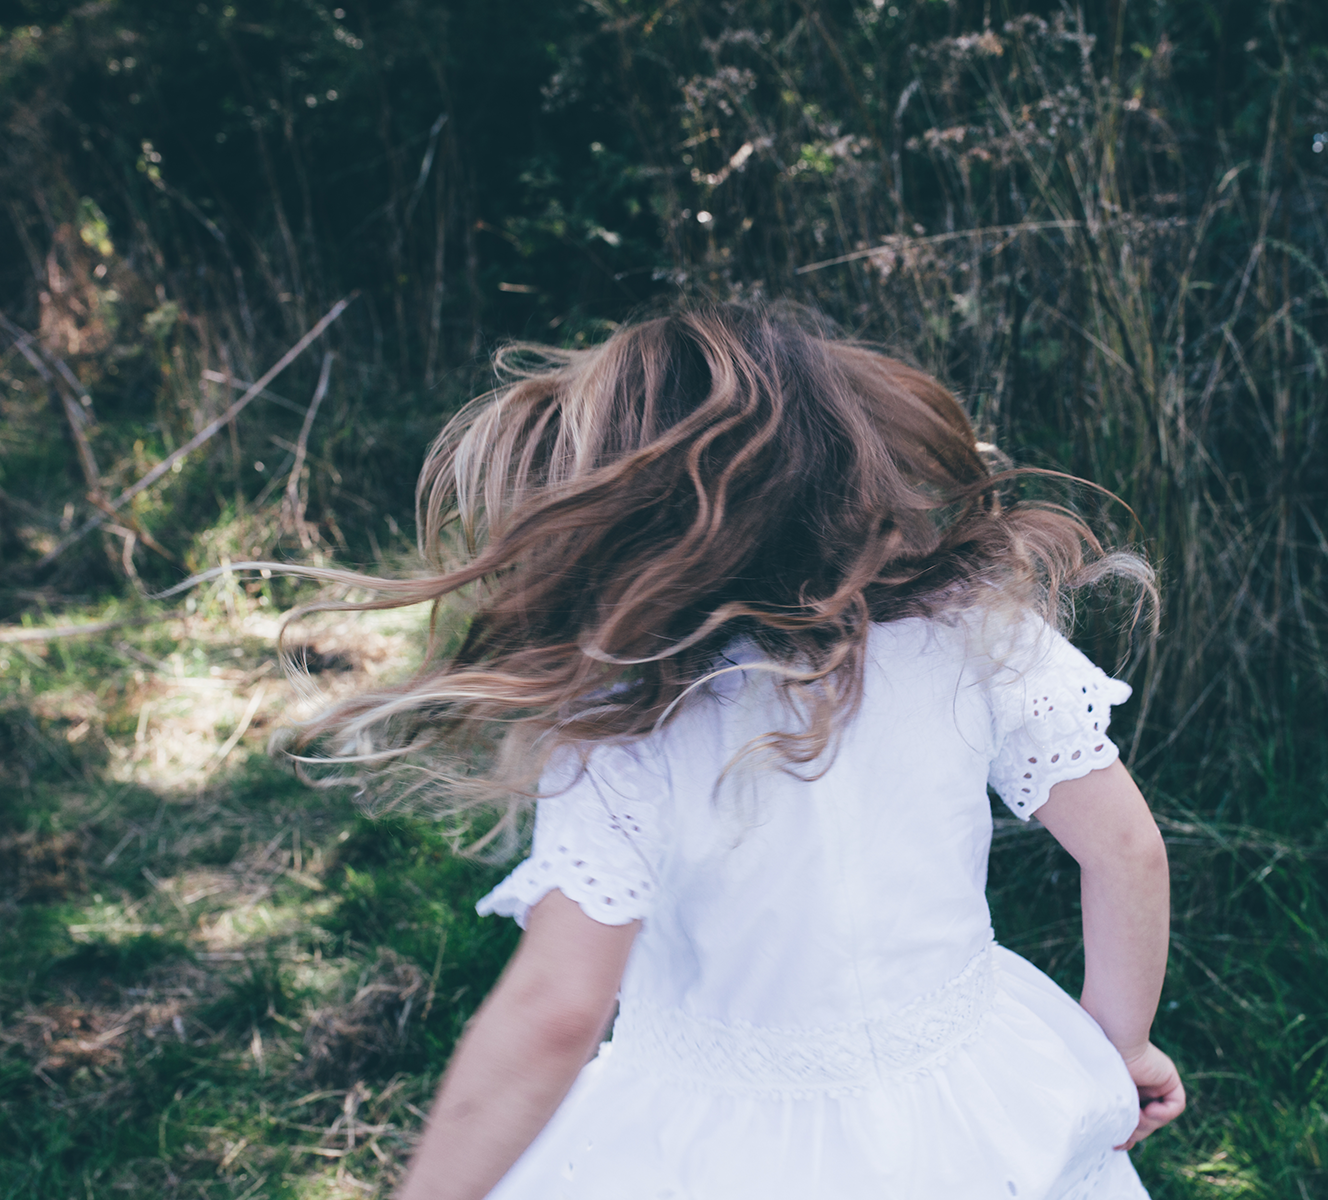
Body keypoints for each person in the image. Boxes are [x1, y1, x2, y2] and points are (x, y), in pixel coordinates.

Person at [289, 303, 1185, 1199]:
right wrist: (1120, 1044)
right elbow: (1125, 849)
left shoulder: (624, 721)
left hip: (718, 1151)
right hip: (976, 1104)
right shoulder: (972, 630)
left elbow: (560, 1008)